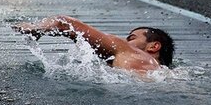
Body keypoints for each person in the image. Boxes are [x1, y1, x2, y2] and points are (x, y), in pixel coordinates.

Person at [13, 15, 174, 72]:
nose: (126, 42)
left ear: (154, 46)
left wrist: (35, 28)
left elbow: (65, 22)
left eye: (131, 38)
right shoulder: (167, 74)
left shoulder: (127, 51)